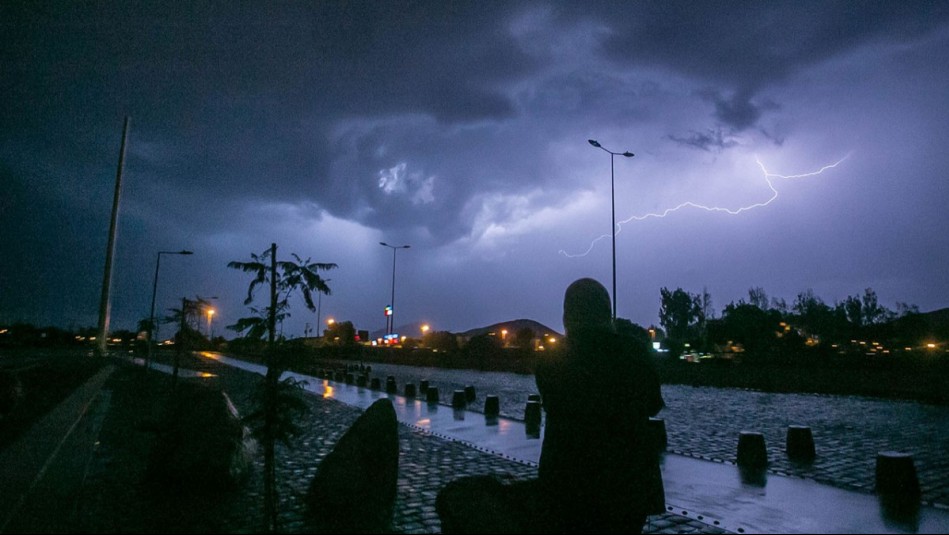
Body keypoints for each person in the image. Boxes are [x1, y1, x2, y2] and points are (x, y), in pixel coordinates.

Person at [535, 278, 665, 534]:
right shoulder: (634, 353)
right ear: (607, 312)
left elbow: (552, 402)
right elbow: (653, 405)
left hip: (568, 481)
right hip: (627, 483)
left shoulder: (551, 361)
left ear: (568, 315)